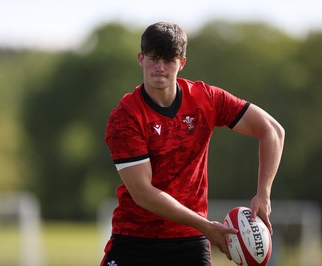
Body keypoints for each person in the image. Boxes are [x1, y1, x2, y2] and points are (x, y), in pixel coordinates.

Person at [101, 21, 285, 266]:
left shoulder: (205, 99)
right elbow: (143, 194)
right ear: (140, 59)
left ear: (182, 63)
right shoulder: (126, 116)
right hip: (135, 240)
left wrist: (264, 194)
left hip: (189, 243)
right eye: (153, 59)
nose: (160, 68)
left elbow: (272, 130)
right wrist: (205, 225)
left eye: (169, 60)